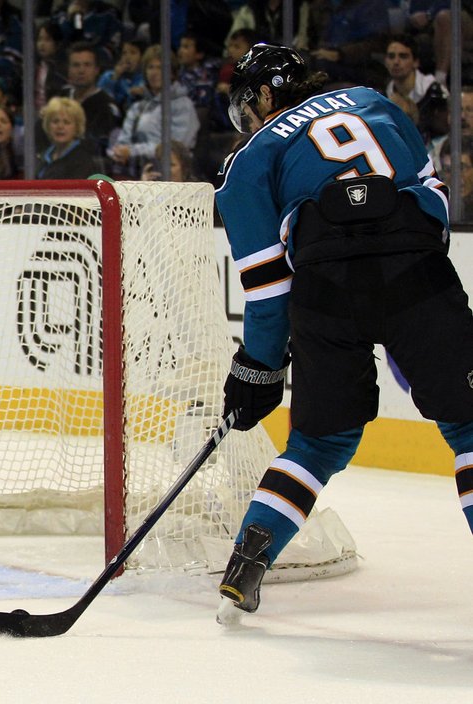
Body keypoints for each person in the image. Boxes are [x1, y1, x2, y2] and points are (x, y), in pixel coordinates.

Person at [214, 44, 473, 618]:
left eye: (245, 107)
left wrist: (258, 369)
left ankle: (247, 563)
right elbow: (433, 197)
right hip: (414, 271)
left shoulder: (248, 161)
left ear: (262, 95)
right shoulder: (374, 102)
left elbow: (267, 290)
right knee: (469, 427)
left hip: (325, 287)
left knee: (318, 442)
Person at [107, 44, 200, 180]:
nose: (154, 72)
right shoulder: (138, 106)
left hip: (172, 174)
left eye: (160, 67)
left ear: (172, 72)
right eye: (150, 67)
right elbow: (123, 141)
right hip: (136, 169)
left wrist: (132, 151)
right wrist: (118, 152)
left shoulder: (183, 105)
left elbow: (177, 148)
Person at [35, 96, 101, 179]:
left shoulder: (82, 160)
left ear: (77, 127)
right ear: (47, 125)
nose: (60, 127)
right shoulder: (44, 156)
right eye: (55, 121)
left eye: (66, 122)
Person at [383, 33, 443, 105]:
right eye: (391, 56)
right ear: (385, 62)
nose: (396, 62)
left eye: (403, 56)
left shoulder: (435, 90)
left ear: (416, 62)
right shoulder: (384, 95)